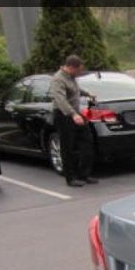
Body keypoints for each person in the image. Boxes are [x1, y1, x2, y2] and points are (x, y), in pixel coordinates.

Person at [49, 55, 99, 187]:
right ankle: (70, 178)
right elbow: (60, 99)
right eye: (78, 70)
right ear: (71, 67)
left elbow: (75, 90)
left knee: (87, 141)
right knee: (67, 147)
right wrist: (73, 115)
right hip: (64, 114)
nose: (80, 73)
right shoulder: (58, 79)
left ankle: (84, 174)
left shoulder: (71, 77)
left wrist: (87, 94)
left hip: (75, 112)